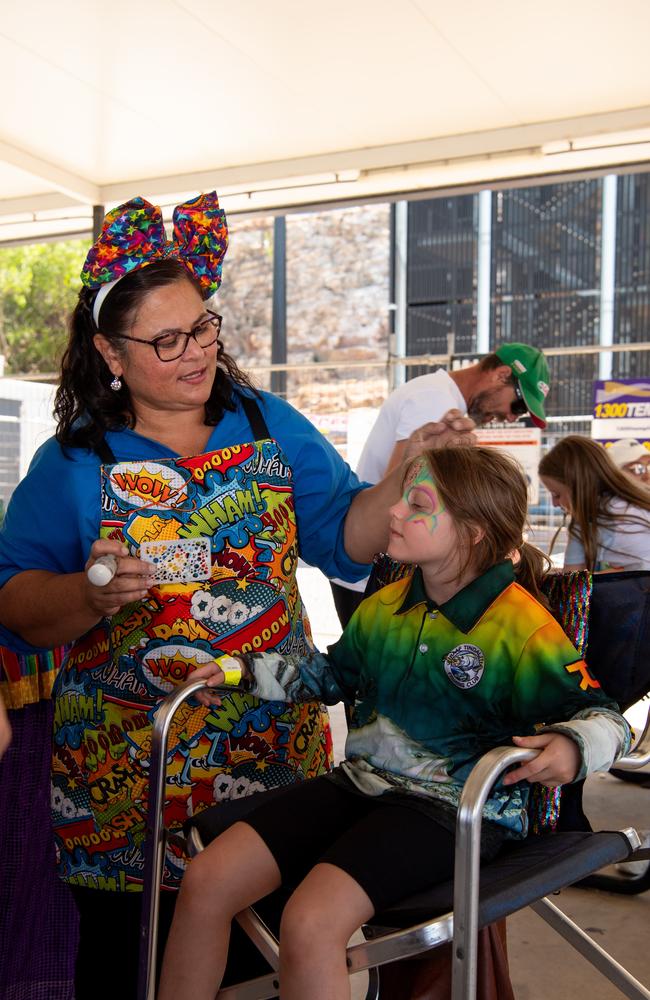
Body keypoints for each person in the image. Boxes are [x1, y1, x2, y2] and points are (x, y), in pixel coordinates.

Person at [0, 192, 472, 997]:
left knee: (269, 961)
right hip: (127, 774)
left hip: (269, 754)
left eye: (205, 326)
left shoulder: (268, 424)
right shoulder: (74, 462)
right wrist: (90, 592)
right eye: (167, 339)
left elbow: (345, 535)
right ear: (113, 355)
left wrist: (403, 470)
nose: (197, 352)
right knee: (133, 965)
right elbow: (14, 601)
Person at [158, 445, 629, 1000]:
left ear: (474, 531)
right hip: (362, 785)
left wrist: (572, 747)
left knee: (310, 923)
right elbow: (333, 675)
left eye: (417, 504)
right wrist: (235, 671)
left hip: (451, 809)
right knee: (207, 880)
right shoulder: (387, 607)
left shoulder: (520, 629)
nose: (395, 514)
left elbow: (608, 721)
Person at [331, 341, 551, 626]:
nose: (511, 417)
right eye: (518, 405)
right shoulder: (435, 402)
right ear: (500, 375)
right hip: (375, 576)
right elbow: (405, 493)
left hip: (376, 567)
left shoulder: (438, 395)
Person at [539, 435, 650, 571]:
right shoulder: (638, 503)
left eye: (557, 495)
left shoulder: (591, 519)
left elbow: (573, 583)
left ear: (578, 487)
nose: (554, 504)